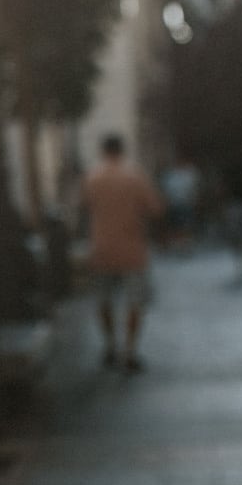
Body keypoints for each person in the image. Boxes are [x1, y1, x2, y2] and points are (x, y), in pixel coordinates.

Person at [79, 133, 163, 373]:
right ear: (122, 150)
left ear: (103, 151)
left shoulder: (93, 177)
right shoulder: (134, 176)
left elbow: (82, 206)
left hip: (101, 247)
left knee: (103, 299)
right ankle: (130, 350)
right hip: (132, 247)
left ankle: (109, 345)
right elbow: (156, 208)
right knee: (135, 300)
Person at [160, 151, 200, 253]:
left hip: (186, 202)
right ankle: (179, 245)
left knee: (185, 224)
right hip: (174, 203)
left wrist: (193, 198)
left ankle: (185, 245)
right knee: (176, 225)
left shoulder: (190, 172)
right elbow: (166, 188)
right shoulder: (170, 173)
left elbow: (194, 187)